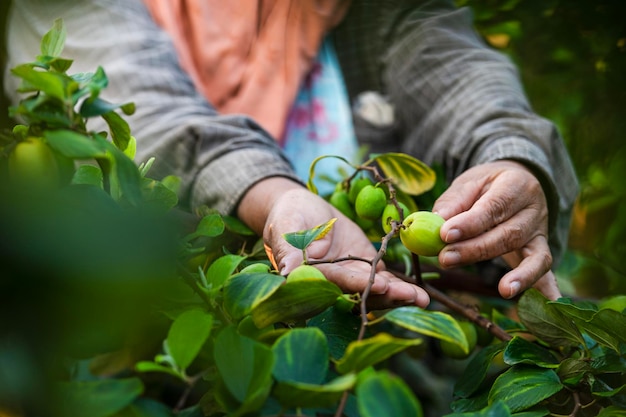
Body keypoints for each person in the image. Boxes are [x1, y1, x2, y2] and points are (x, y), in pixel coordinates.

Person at [3, 0, 579, 310]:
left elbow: (464, 78)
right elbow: (140, 113)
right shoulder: (72, 8)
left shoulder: (370, 13)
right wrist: (275, 194)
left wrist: (515, 161)